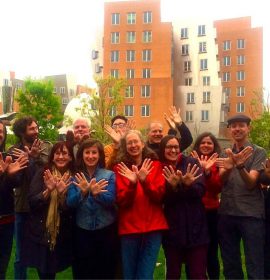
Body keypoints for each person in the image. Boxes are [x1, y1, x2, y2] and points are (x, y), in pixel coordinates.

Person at [217, 114, 266, 279]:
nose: (237, 129)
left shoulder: (259, 151)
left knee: (255, 262)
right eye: (234, 126)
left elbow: (252, 182)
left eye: (241, 125)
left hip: (251, 215)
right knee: (230, 263)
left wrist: (239, 166)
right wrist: (229, 167)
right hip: (227, 213)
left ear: (248, 128)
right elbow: (220, 181)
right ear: (229, 130)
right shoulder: (225, 152)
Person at [113, 130, 168, 279]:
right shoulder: (120, 169)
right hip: (129, 229)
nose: (133, 145)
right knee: (129, 274)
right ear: (125, 147)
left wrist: (145, 182)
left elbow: (159, 196)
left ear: (142, 144)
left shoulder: (156, 166)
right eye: (129, 143)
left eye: (135, 141)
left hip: (153, 228)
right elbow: (121, 201)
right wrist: (132, 184)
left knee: (145, 274)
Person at [21, 141, 74, 279]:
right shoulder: (43, 173)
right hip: (42, 233)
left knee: (53, 270)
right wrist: (48, 191)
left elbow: (73, 209)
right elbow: (32, 201)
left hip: (62, 234)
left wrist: (62, 195)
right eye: (57, 153)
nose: (61, 157)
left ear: (70, 157)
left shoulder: (74, 176)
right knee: (45, 273)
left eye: (64, 153)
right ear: (52, 156)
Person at [8, 116, 52, 279]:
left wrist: (33, 158)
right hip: (22, 207)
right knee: (20, 255)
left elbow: (46, 172)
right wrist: (27, 160)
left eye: (36, 127)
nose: (36, 131)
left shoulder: (46, 147)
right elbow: (16, 181)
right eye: (32, 129)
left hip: (41, 206)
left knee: (42, 250)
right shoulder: (13, 151)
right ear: (21, 132)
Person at [67, 139, 118, 279]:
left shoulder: (109, 175)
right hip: (82, 231)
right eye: (87, 152)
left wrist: (96, 195)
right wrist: (82, 193)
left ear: (99, 155)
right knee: (84, 270)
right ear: (82, 155)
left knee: (105, 270)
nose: (90, 156)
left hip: (106, 230)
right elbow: (70, 203)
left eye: (94, 152)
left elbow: (111, 200)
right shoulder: (76, 177)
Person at [160, 135, 208, 280]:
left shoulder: (191, 163)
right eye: (169, 147)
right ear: (163, 149)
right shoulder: (160, 167)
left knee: (197, 274)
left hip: (196, 228)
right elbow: (160, 198)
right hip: (173, 229)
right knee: (173, 273)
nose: (173, 150)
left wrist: (188, 186)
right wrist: (172, 187)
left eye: (176, 147)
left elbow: (200, 190)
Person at [191, 132, 222, 280]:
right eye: (203, 142)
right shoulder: (190, 161)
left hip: (212, 213)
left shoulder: (218, 163)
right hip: (194, 213)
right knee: (195, 250)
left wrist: (208, 172)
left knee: (211, 251)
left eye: (209, 143)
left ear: (214, 146)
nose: (206, 145)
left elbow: (217, 188)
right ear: (198, 145)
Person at [0, 120, 28, 279]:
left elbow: (14, 185)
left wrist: (9, 176)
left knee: (2, 267)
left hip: (6, 221)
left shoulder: (6, 157)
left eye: (1, 132)